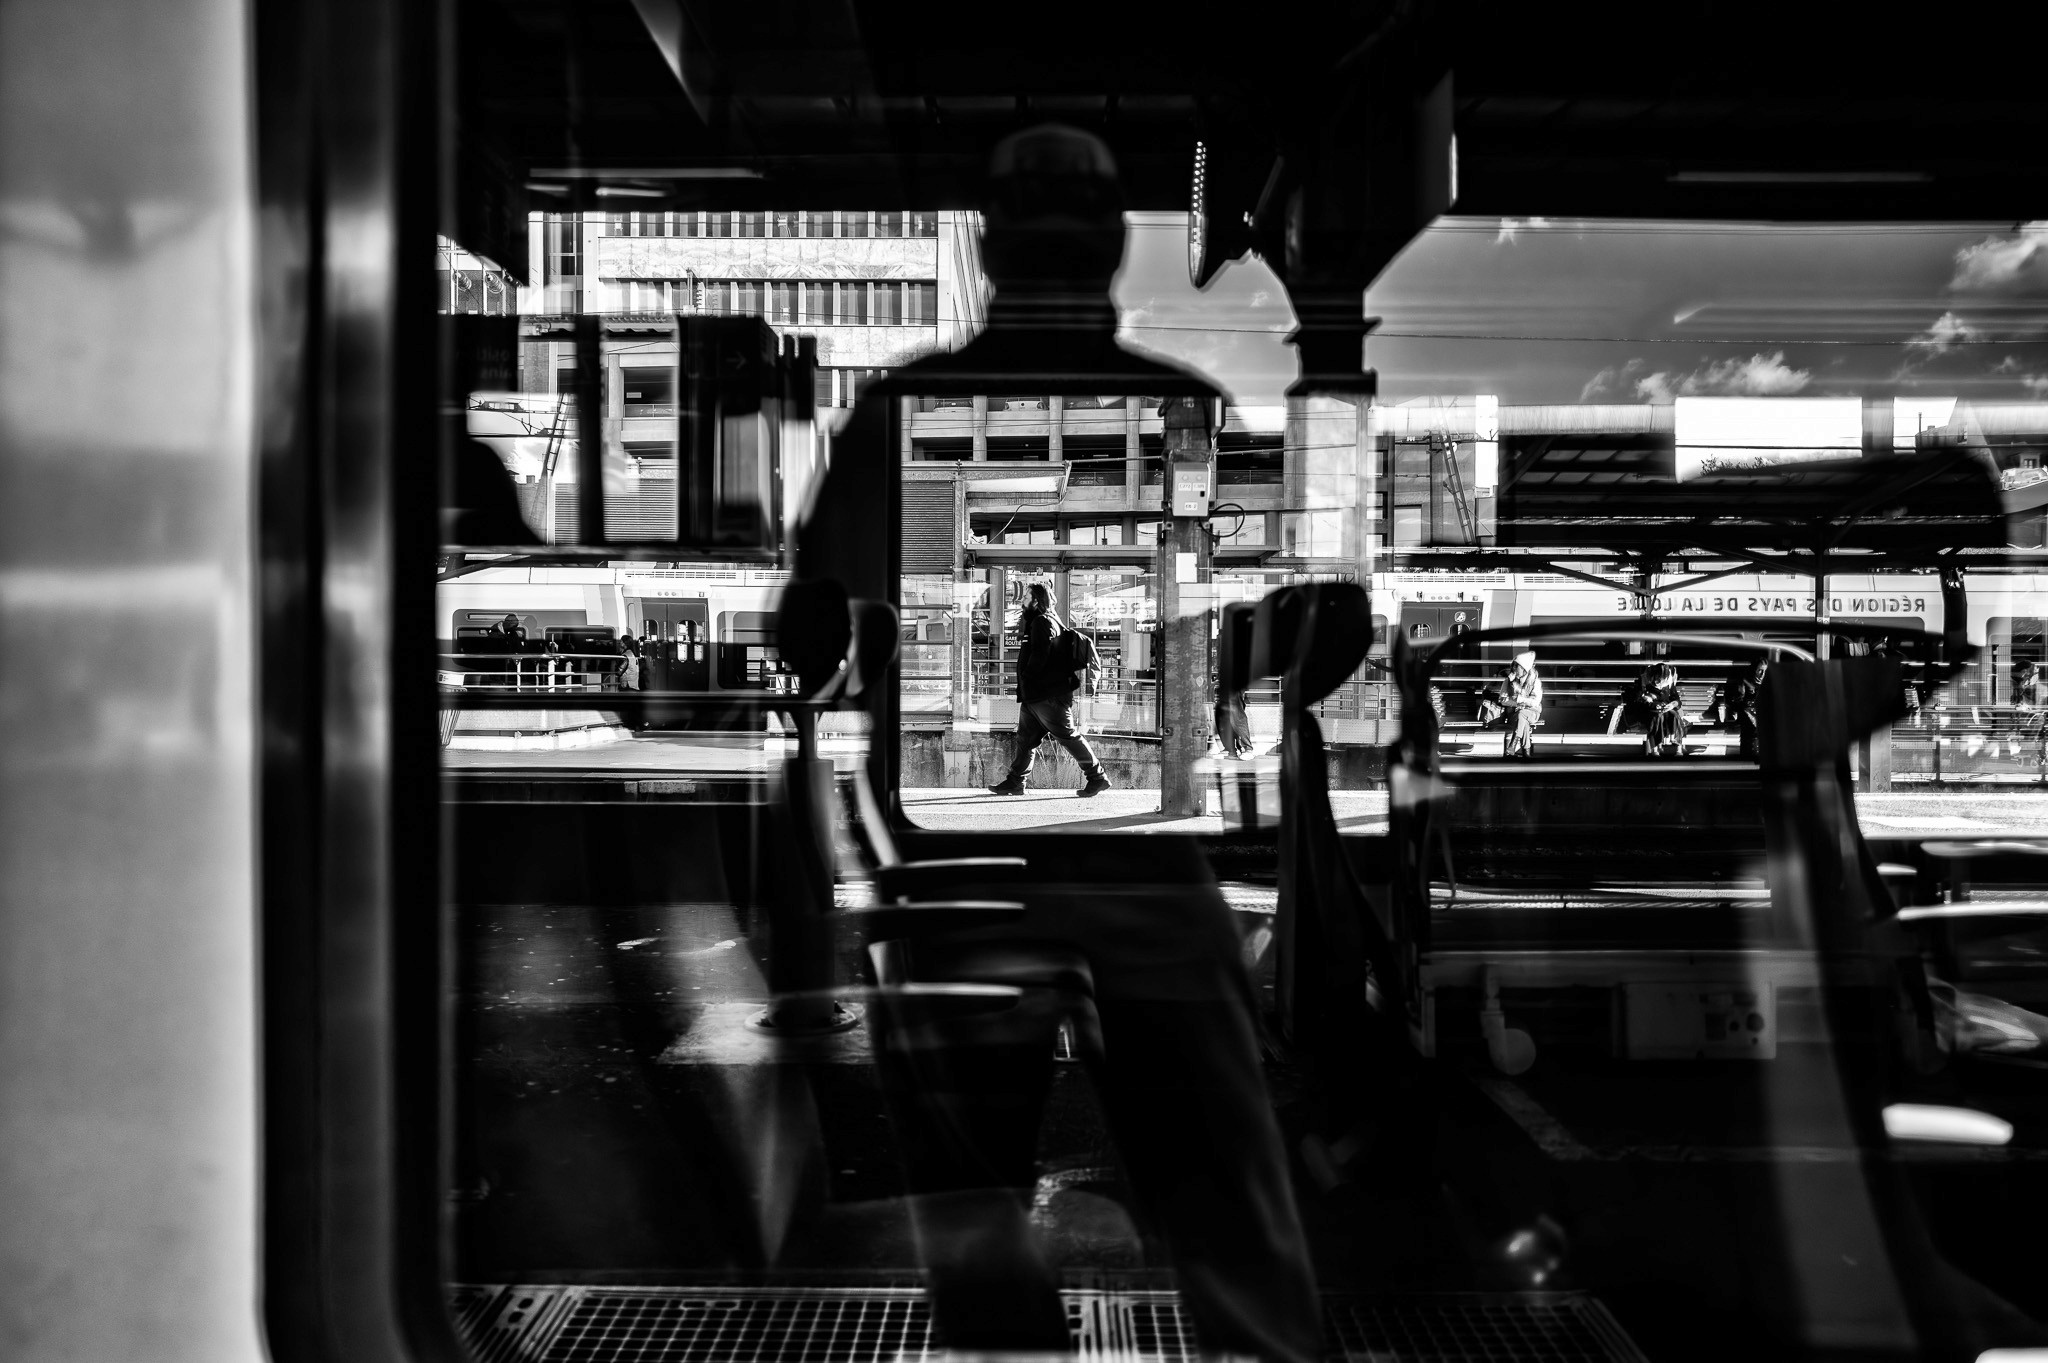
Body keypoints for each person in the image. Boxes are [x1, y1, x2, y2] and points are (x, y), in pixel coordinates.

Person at [989, 582, 1111, 797]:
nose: (1022, 600)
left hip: (1046, 695)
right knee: (1026, 740)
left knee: (1068, 736)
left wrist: (1028, 677)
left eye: (1026, 597)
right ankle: (1015, 782)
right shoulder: (1043, 621)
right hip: (1035, 696)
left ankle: (1097, 777)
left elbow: (1041, 655)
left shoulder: (1043, 622)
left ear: (1036, 601)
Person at [1710, 657, 1769, 759]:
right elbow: (1734, 704)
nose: (1762, 674)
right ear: (1754, 670)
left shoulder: (1768, 686)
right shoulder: (1743, 684)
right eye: (1760, 670)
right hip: (1749, 730)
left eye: (1765, 671)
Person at [1636, 656, 1688, 757]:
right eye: (1658, 680)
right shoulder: (1644, 683)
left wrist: (1672, 704)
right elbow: (1638, 701)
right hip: (1650, 711)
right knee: (1657, 718)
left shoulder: (1669, 684)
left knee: (1675, 715)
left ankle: (1678, 748)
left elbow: (1677, 700)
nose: (1660, 683)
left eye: (1662, 680)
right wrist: (1653, 705)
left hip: (1667, 709)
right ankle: (1655, 749)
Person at [1496, 649, 1543, 758]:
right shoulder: (1508, 681)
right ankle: (1526, 753)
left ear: (1524, 668)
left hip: (1532, 713)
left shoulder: (1535, 682)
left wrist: (1519, 699)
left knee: (1522, 715)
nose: (1513, 669)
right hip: (1514, 714)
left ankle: (1514, 744)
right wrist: (1517, 704)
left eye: (1517, 666)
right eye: (1513, 666)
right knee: (1522, 718)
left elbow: (1535, 702)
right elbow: (1502, 700)